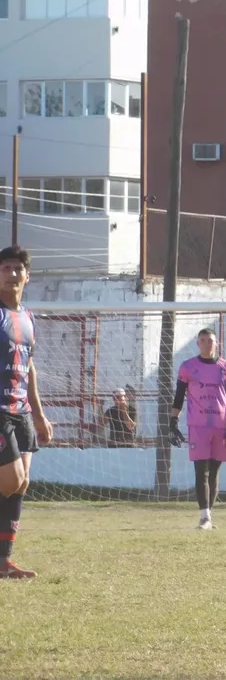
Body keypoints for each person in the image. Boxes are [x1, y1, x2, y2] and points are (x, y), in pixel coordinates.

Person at [0, 246, 53, 579]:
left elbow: (29, 367)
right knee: (11, 479)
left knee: (21, 485)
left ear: (27, 275)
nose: (12, 273)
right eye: (5, 268)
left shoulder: (28, 318)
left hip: (22, 410)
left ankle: (4, 562)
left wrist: (39, 413)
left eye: (17, 268)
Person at [169, 327, 226, 530]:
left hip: (220, 425)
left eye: (211, 340)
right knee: (201, 471)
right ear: (197, 343)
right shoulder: (187, 367)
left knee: (215, 472)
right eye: (203, 340)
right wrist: (173, 422)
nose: (208, 343)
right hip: (198, 426)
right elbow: (179, 396)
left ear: (216, 344)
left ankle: (209, 517)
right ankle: (204, 517)